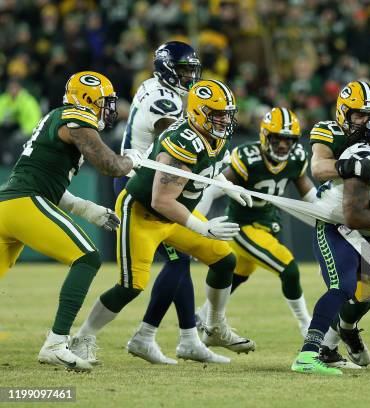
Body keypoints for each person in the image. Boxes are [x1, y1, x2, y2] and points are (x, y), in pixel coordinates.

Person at [70, 79, 255, 365]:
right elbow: (162, 200)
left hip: (174, 214)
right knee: (131, 285)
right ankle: (82, 337)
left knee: (224, 260)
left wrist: (226, 184)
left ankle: (215, 326)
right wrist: (202, 227)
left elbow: (205, 167)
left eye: (227, 114)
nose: (224, 120)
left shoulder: (213, 133)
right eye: (217, 114)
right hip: (143, 213)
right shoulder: (182, 140)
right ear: (197, 112)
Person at [0, 71, 139, 371]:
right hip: (24, 201)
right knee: (87, 258)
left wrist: (88, 209)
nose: (108, 110)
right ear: (87, 99)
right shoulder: (74, 115)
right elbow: (110, 165)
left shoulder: (57, 118)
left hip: (9, 204)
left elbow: (50, 184)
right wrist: (131, 160)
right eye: (104, 103)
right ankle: (56, 342)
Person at [106, 41, 223, 364]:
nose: (190, 77)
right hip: (142, 187)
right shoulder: (162, 99)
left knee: (180, 260)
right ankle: (133, 336)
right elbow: (178, 139)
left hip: (151, 180)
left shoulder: (153, 86)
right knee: (171, 264)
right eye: (184, 70)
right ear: (167, 69)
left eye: (192, 70)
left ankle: (187, 338)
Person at [291, 107, 370, 375]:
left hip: (358, 230)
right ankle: (307, 355)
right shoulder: (365, 156)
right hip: (337, 227)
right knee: (342, 287)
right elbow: (353, 217)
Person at [195, 107, 316, 338]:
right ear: (264, 136)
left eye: (288, 140)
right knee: (288, 268)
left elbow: (309, 196)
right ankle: (307, 326)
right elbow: (213, 190)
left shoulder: (297, 158)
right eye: (277, 139)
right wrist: (197, 224)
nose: (282, 145)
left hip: (267, 223)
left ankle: (202, 315)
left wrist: (329, 214)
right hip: (241, 225)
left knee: (239, 274)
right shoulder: (248, 157)